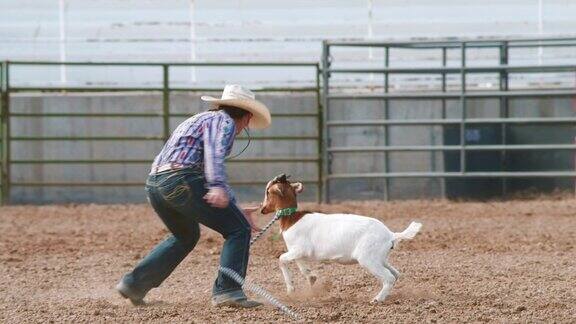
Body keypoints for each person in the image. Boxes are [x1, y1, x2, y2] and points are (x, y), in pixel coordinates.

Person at [116, 84, 271, 308]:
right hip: (182, 179)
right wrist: (218, 186)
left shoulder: (199, 119)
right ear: (247, 117)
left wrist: (234, 207)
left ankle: (134, 284)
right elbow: (213, 155)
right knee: (238, 229)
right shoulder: (224, 123)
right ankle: (228, 291)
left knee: (185, 236)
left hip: (156, 183)